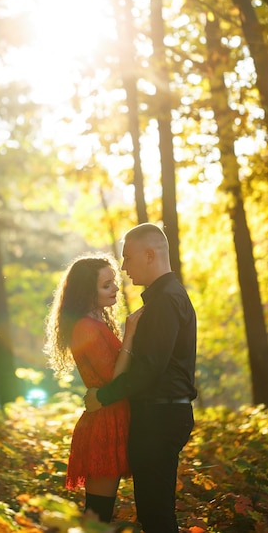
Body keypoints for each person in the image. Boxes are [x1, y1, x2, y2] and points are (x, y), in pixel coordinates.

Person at [84, 223, 197, 533]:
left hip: (161, 416)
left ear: (150, 255)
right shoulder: (164, 298)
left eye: (128, 258)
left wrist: (102, 397)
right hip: (161, 413)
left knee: (157, 516)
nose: (124, 267)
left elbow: (149, 369)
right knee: (153, 513)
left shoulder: (165, 302)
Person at [44, 253, 144, 523]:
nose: (115, 288)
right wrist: (132, 334)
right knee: (97, 514)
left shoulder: (98, 321)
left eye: (114, 282)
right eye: (106, 285)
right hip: (104, 423)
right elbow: (115, 379)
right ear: (88, 292)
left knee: (101, 513)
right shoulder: (86, 327)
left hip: (114, 415)